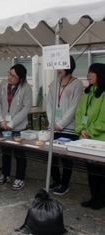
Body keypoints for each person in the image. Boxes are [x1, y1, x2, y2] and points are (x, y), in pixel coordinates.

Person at [46, 56, 83, 195]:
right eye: (57, 66)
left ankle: (65, 183)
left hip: (68, 128)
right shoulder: (54, 83)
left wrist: (60, 124)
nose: (59, 70)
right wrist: (52, 122)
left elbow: (74, 107)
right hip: (53, 126)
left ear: (69, 66)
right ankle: (56, 179)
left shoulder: (77, 84)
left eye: (62, 66)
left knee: (66, 157)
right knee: (53, 155)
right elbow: (49, 104)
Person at [0, 64, 32, 190]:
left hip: (18, 127)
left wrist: (12, 123)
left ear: (20, 78)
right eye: (9, 73)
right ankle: (5, 174)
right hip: (3, 125)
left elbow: (26, 108)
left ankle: (20, 178)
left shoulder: (26, 88)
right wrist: (0, 120)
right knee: (5, 152)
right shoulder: (3, 84)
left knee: (19, 153)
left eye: (13, 76)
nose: (9, 77)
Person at [75, 63, 105, 210]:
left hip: (99, 140)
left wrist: (90, 131)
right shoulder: (87, 92)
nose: (89, 75)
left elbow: (103, 119)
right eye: (88, 72)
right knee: (91, 171)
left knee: (100, 171)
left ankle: (100, 199)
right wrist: (81, 129)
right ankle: (94, 197)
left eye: (92, 72)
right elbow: (79, 112)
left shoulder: (104, 93)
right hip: (85, 139)